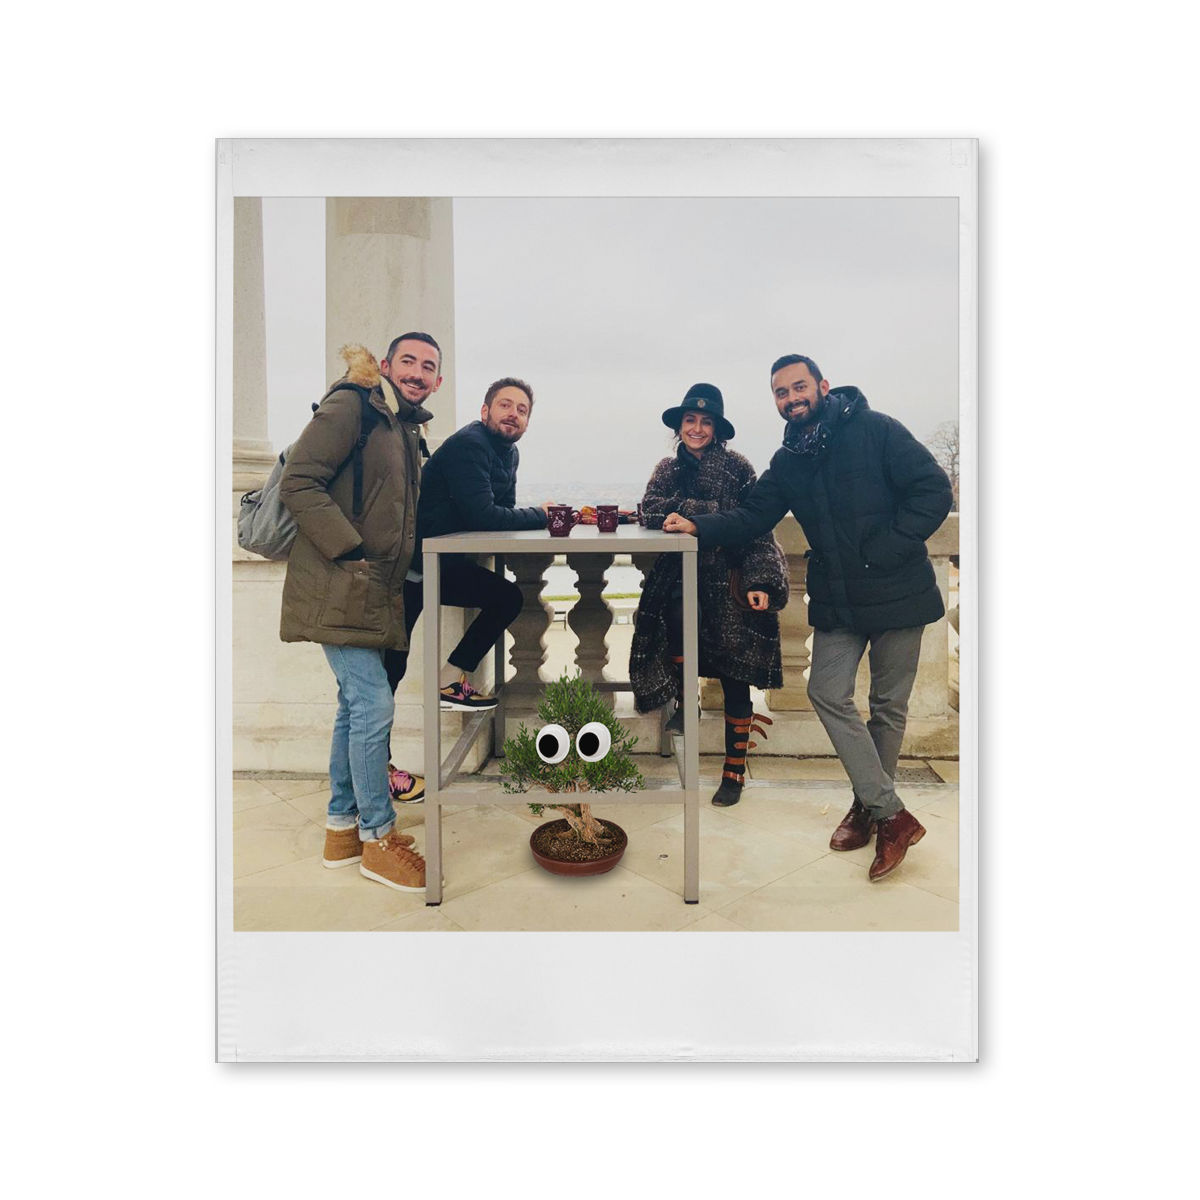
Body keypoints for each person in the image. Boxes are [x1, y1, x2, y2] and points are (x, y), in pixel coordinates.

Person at [664, 355, 953, 879]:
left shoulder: (876, 429)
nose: (792, 398)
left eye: (799, 387)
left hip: (899, 592)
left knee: (887, 707)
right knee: (825, 691)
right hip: (840, 601)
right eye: (781, 392)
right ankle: (891, 814)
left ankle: (868, 809)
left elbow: (933, 490)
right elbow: (753, 515)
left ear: (822, 386)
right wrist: (698, 525)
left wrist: (886, 548)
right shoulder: (789, 460)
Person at [279, 334, 446, 893]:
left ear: (438, 381)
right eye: (408, 361)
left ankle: (341, 830)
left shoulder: (403, 427)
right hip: (340, 581)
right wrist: (348, 550)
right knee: (373, 704)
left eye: (428, 366)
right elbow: (299, 480)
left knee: (354, 708)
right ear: (387, 365)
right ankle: (378, 837)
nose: (417, 372)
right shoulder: (353, 404)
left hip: (371, 587)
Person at [382, 376, 556, 799]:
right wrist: (543, 515)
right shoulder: (470, 444)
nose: (513, 414)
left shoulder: (508, 452)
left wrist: (527, 518)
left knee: (506, 597)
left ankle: (450, 678)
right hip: (411, 569)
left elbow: (501, 513)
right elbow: (486, 516)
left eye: (522, 410)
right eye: (505, 405)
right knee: (388, 674)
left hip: (444, 566)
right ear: (485, 411)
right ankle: (377, 771)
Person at [631, 383, 788, 807]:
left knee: (736, 679)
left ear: (716, 429)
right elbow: (650, 509)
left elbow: (757, 525)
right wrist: (713, 510)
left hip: (730, 581)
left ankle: (734, 771)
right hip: (680, 579)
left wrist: (761, 582)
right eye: (690, 420)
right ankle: (687, 698)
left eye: (705, 422)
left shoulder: (738, 468)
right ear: (680, 426)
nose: (697, 428)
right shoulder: (666, 468)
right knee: (675, 621)